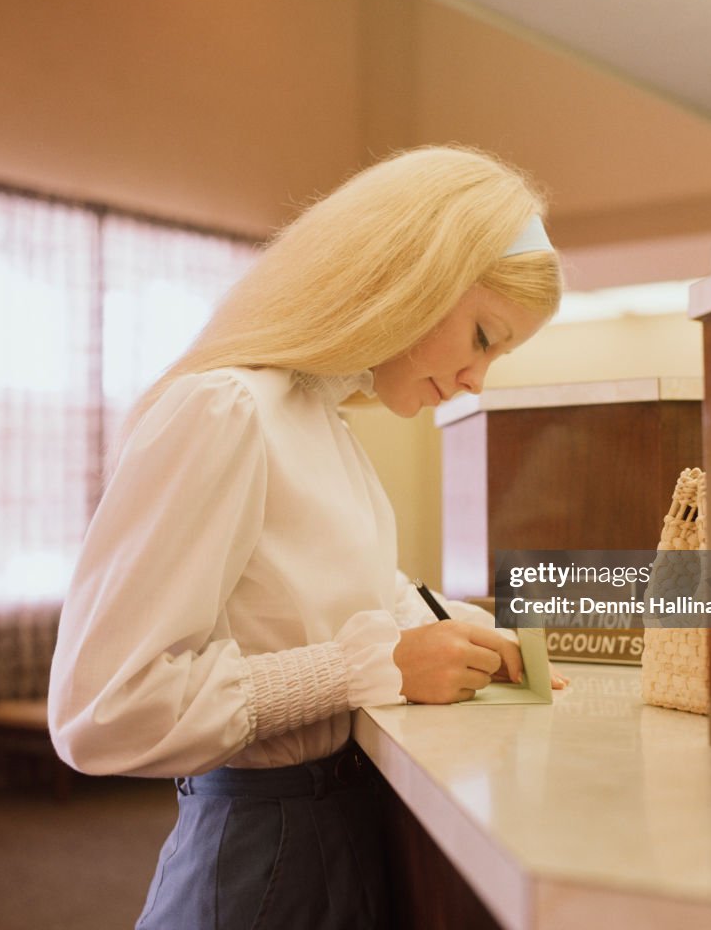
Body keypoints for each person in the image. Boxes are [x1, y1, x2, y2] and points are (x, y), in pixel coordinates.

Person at [48, 145, 565, 929]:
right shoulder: (226, 410)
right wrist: (366, 669)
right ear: (412, 275)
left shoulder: (320, 423)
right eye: (485, 336)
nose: (476, 381)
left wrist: (447, 626)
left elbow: (346, 593)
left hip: (333, 833)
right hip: (261, 853)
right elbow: (105, 712)